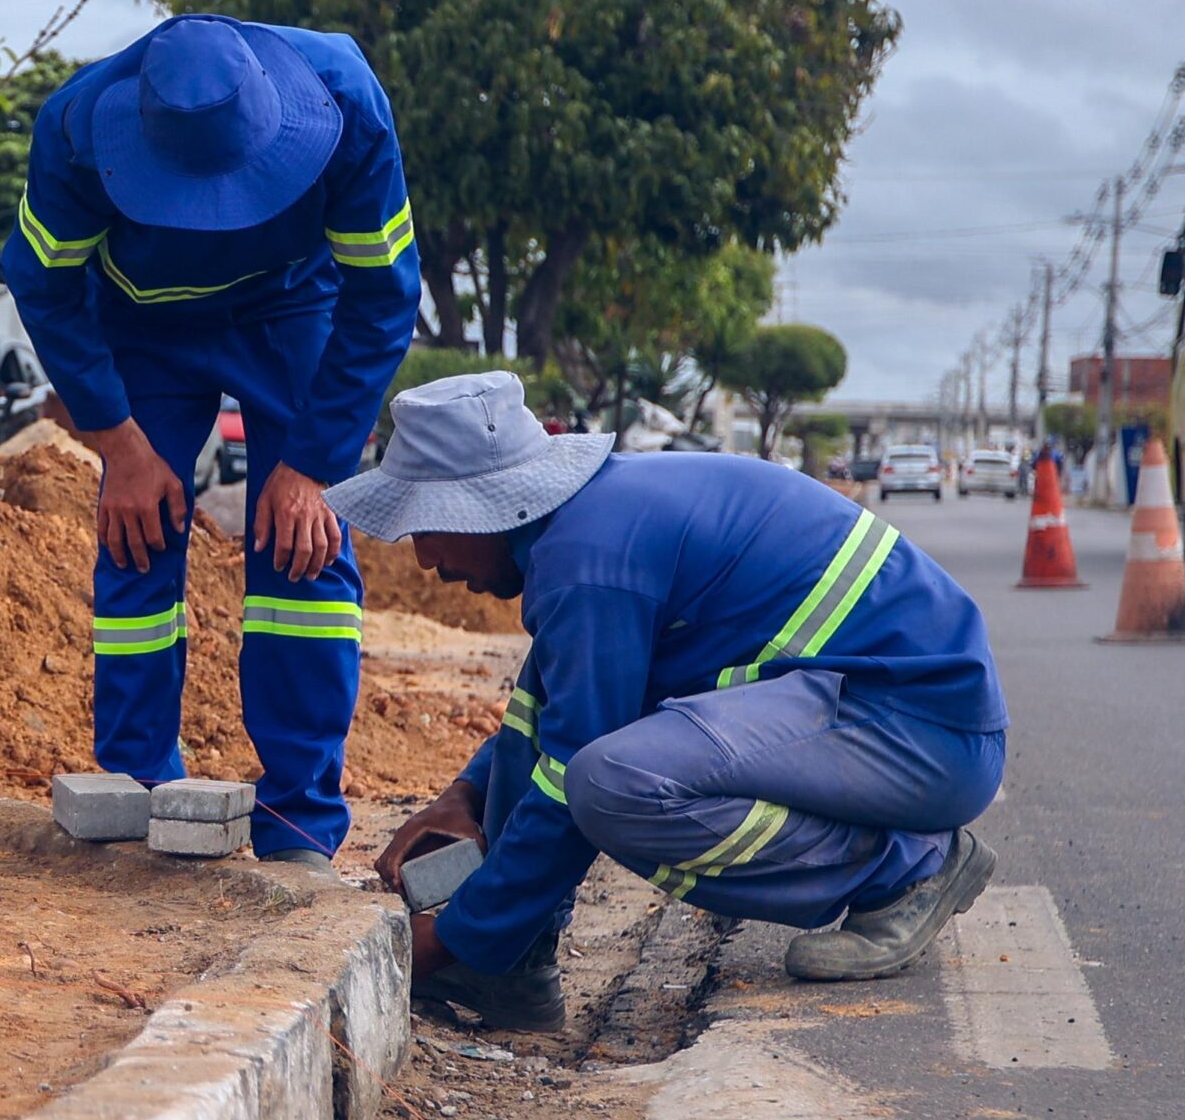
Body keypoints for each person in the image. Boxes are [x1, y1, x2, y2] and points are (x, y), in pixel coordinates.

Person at [332, 372, 1008, 1031]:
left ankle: (910, 871)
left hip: (921, 728)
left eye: (427, 524)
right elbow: (549, 713)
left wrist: (448, 939)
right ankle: (514, 960)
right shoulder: (588, 528)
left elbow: (570, 775)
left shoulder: (589, 560)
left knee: (612, 785)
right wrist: (466, 795)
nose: (423, 559)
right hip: (885, 708)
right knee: (572, 740)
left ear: (481, 505)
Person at [1, 14, 419, 865]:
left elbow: (383, 296)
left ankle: (300, 819)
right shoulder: (74, 129)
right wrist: (118, 444)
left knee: (305, 544)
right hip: (143, 322)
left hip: (291, 307)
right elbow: (41, 281)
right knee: (135, 530)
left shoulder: (349, 104)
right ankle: (133, 784)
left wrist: (311, 466)